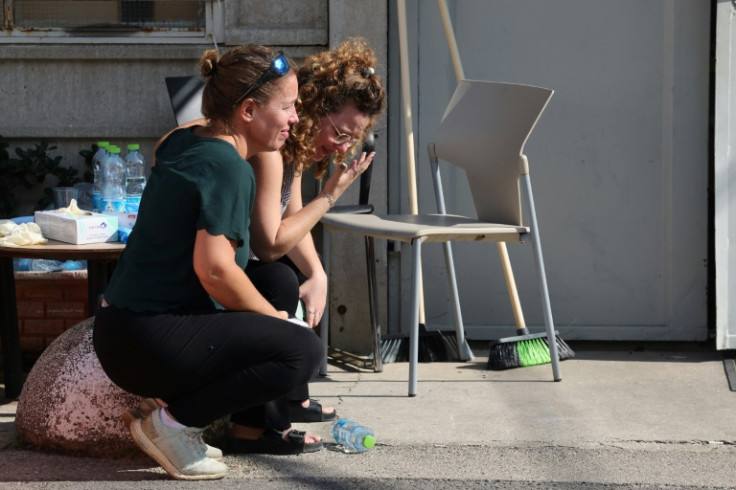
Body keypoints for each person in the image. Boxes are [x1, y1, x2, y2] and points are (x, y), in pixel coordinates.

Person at [92, 45, 324, 481]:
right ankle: (172, 427)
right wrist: (275, 319)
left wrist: (270, 307)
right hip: (147, 338)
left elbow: (245, 256)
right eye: (288, 107)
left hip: (124, 330)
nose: (295, 119)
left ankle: (222, 425)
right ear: (249, 110)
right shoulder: (227, 166)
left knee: (274, 277)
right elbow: (215, 270)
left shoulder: (186, 141)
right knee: (302, 350)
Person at [229, 37, 386, 451]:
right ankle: (258, 426)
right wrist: (330, 195)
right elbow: (269, 243)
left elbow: (290, 221)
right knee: (278, 278)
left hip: (235, 262)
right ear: (313, 106)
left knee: (296, 273)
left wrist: (318, 273)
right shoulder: (270, 151)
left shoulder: (293, 154)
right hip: (213, 270)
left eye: (352, 139)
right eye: (338, 132)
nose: (341, 147)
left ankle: (292, 399)